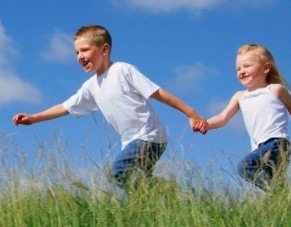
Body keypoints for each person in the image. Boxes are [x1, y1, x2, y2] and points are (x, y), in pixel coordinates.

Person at [12, 24, 208, 187]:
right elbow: (65, 107)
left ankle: (164, 190)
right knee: (139, 185)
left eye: (85, 50)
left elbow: (158, 93)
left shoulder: (122, 70)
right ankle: (165, 194)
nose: (79, 56)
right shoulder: (91, 86)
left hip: (149, 138)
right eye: (77, 52)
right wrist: (33, 118)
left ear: (104, 50)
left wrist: (191, 114)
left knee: (117, 173)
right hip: (131, 142)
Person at [206, 44, 291, 190]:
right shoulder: (240, 96)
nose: (242, 71)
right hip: (258, 149)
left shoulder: (275, 90)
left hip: (277, 144)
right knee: (274, 182)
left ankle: (282, 194)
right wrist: (205, 124)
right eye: (238, 69)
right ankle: (286, 198)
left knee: (245, 167)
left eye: (247, 66)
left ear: (266, 68)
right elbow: (222, 117)